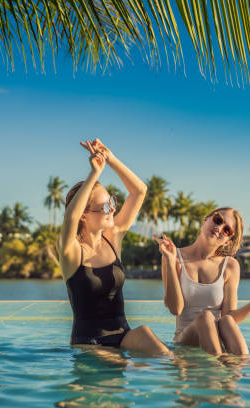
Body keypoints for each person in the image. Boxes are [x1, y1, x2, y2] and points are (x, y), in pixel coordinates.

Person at [57, 138, 169, 355]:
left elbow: (139, 191)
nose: (112, 210)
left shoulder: (113, 238)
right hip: (89, 343)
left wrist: (110, 159)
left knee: (161, 352)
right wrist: (94, 174)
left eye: (112, 202)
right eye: (105, 206)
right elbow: (70, 216)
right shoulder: (71, 251)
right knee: (117, 371)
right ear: (84, 216)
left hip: (123, 334)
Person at [154, 207, 250, 356]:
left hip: (217, 340)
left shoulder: (230, 266)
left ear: (227, 242)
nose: (219, 228)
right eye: (218, 220)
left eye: (227, 230)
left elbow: (230, 316)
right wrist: (170, 262)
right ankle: (221, 368)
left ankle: (240, 370)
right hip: (186, 340)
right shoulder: (173, 256)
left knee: (227, 321)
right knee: (205, 317)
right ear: (205, 220)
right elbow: (175, 309)